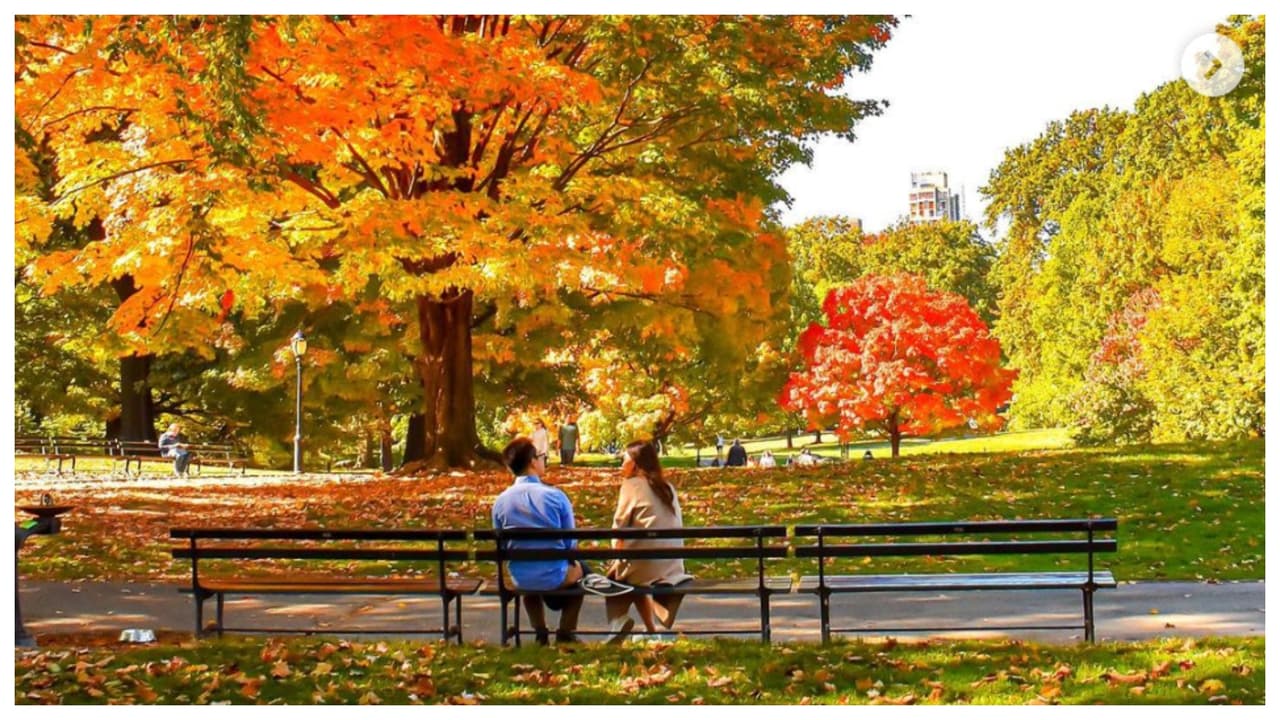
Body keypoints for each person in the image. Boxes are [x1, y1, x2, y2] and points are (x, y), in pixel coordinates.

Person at [491, 437, 585, 645]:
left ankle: (540, 632)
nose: (544, 460)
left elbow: (502, 544)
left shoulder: (500, 502)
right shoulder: (556, 497)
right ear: (533, 461)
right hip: (555, 576)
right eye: (542, 456)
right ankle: (565, 631)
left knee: (526, 565)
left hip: (521, 578)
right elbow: (571, 543)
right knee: (583, 572)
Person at [605, 441, 692, 639]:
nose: (621, 465)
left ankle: (617, 623)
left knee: (615, 578)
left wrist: (615, 556)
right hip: (672, 565)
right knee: (633, 572)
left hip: (646, 564)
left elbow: (618, 527)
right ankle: (651, 631)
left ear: (635, 463)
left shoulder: (631, 485)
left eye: (624, 460)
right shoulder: (667, 487)